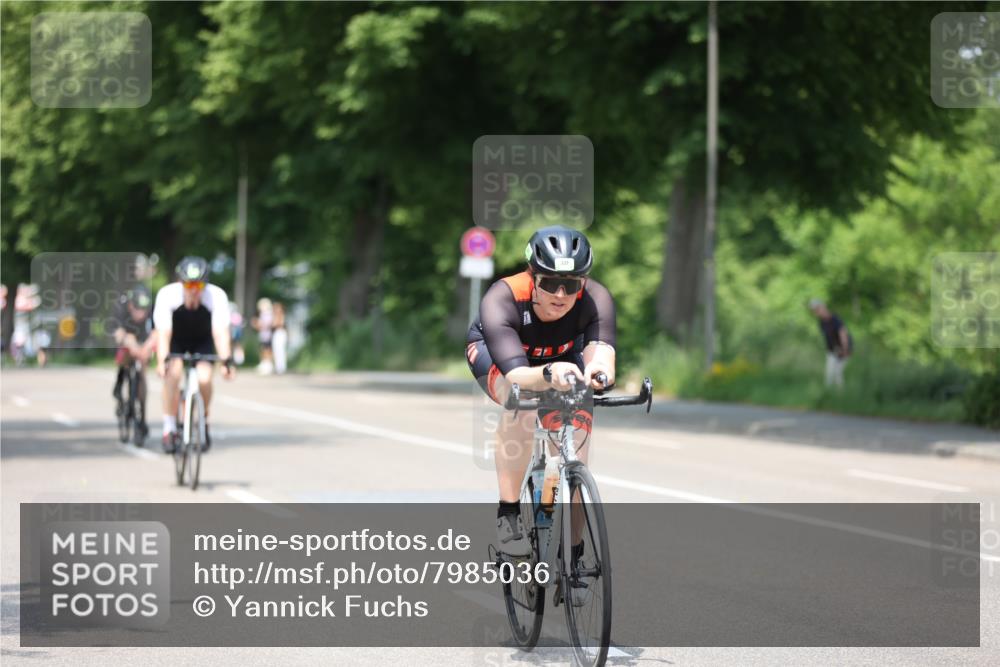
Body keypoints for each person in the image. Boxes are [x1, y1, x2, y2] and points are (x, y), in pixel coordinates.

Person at [465, 226, 616, 557]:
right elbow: (518, 375)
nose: (560, 294)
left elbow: (602, 353)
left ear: (583, 282)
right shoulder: (502, 297)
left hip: (561, 355)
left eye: (572, 285)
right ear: (532, 276)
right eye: (550, 283)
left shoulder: (595, 298)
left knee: (576, 441)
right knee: (521, 400)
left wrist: (598, 373)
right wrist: (548, 373)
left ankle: (574, 550)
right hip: (505, 357)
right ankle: (508, 512)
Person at [153, 256, 235, 453]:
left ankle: (203, 420)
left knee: (205, 379)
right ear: (180, 283)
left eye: (198, 284)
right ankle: (169, 427)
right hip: (176, 339)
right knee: (173, 374)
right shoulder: (167, 295)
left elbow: (220, 333)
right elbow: (163, 334)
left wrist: (226, 361)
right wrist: (161, 361)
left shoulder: (216, 296)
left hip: (202, 339)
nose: (193, 289)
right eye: (188, 284)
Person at [111, 285, 158, 438]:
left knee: (143, 366)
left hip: (143, 337)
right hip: (126, 334)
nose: (141, 313)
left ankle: (142, 414)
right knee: (126, 351)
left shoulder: (152, 309)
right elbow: (118, 333)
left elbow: (156, 332)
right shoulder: (121, 306)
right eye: (138, 309)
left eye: (144, 310)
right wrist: (132, 346)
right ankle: (120, 381)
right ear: (131, 305)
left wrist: (147, 349)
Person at [808, 298, 852, 388]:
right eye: (814, 310)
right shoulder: (821, 322)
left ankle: (840, 395)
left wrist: (845, 349)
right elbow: (828, 338)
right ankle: (828, 395)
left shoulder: (835, 319)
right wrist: (834, 349)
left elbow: (843, 334)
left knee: (837, 373)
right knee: (829, 374)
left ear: (823, 307)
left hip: (844, 349)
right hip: (832, 350)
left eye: (817, 309)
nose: (816, 312)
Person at [252, 297, 274, 374]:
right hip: (263, 335)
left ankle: (268, 365)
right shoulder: (262, 314)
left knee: (268, 350)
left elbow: (269, 324)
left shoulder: (269, 314)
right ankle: (264, 363)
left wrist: (261, 324)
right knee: (263, 349)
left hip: (268, 335)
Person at [271, 301, 288, 375]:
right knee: (276, 350)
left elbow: (278, 324)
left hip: (280, 333)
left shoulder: (281, 315)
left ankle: (281, 367)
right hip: (276, 333)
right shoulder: (275, 316)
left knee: (280, 350)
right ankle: (278, 367)